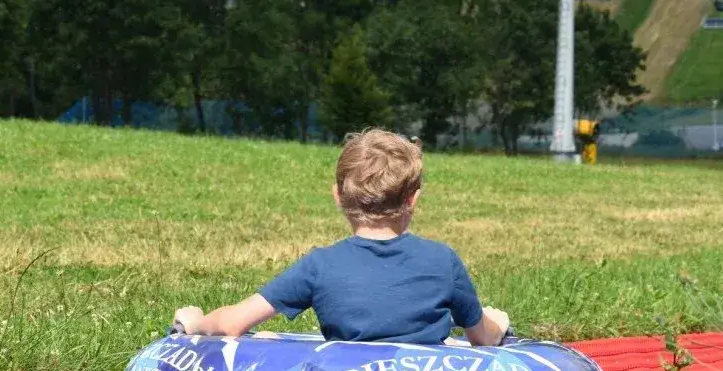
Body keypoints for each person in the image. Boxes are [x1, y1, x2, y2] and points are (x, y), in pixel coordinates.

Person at [172, 129, 511, 346]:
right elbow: (481, 338)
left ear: (337, 196)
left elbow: (232, 324)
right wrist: (497, 323)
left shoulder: (320, 266)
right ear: (413, 199)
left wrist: (196, 322)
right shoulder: (442, 260)